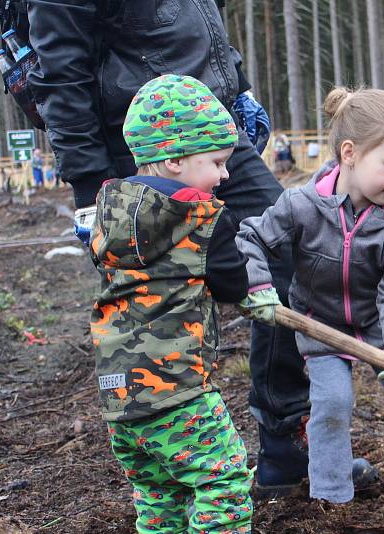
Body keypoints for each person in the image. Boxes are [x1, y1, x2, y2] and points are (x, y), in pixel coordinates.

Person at [26, 0, 347, 497]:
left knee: (289, 249)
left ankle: (284, 442)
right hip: (147, 141)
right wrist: (92, 188)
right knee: (162, 298)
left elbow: (204, 24)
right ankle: (177, 451)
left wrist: (237, 90)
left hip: (212, 127)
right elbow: (59, 67)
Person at [236, 87, 384, 511]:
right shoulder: (300, 206)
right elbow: (252, 236)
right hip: (320, 323)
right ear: (350, 153)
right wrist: (258, 285)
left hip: (378, 323)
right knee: (331, 404)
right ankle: (331, 497)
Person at [90, 75, 253, 532]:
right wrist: (250, 294)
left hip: (118, 394)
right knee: (223, 479)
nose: (225, 175)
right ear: (176, 159)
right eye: (217, 162)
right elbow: (229, 281)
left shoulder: (110, 210)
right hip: (176, 388)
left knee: (159, 493)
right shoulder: (201, 217)